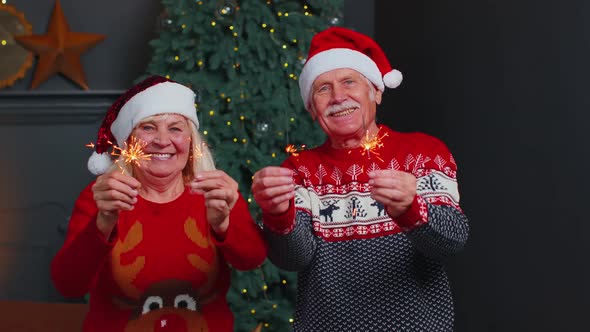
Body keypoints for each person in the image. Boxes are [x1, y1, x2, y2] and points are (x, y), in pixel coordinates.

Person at [251, 27, 469, 331]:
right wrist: (278, 213)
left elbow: (451, 241)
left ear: (376, 91)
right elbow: (294, 258)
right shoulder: (299, 169)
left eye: (349, 82)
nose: (338, 96)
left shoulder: (423, 153)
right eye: (323, 89)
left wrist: (412, 209)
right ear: (312, 109)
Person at [51, 75, 267, 332]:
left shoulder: (214, 191)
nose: (162, 141)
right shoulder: (103, 195)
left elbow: (252, 259)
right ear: (129, 140)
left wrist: (222, 223)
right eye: (148, 127)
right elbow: (68, 285)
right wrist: (104, 222)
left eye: (175, 128)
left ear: (190, 141)